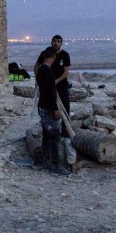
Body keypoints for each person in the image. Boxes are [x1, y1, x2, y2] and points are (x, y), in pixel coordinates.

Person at [35, 48, 70, 176]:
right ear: (53, 57)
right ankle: (55, 165)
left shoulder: (40, 70)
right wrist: (55, 109)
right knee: (55, 136)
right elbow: (50, 92)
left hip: (43, 106)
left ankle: (46, 161)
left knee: (46, 134)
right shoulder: (47, 71)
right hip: (48, 108)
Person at [34, 35, 71, 117]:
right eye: (54, 41)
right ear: (51, 42)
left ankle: (64, 127)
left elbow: (66, 72)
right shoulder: (45, 53)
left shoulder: (65, 55)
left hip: (61, 84)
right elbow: (37, 66)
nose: (56, 43)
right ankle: (48, 124)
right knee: (47, 103)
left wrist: (56, 81)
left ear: (61, 43)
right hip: (47, 84)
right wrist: (38, 79)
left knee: (64, 105)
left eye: (58, 42)